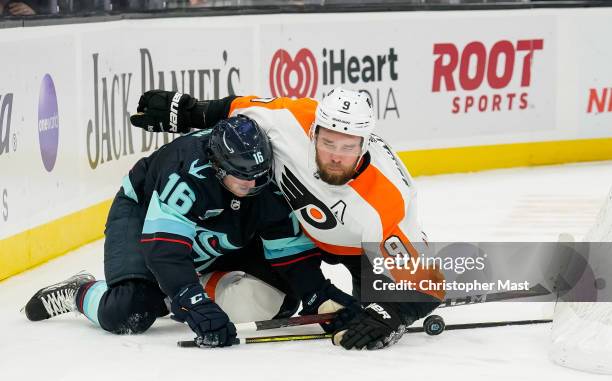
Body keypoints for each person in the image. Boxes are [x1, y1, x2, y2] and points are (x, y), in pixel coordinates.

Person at [129, 87, 446, 350]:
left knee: (370, 307)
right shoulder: (288, 120)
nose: (335, 157)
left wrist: (391, 314)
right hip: (295, 234)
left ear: (364, 146)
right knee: (279, 294)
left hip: (358, 248)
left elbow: (431, 284)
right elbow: (236, 108)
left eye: (348, 147)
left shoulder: (388, 202)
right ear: (313, 131)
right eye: (327, 143)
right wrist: (189, 112)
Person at [24, 115, 358, 347]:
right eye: (241, 175)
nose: (251, 183)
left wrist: (320, 295)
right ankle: (79, 291)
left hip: (217, 233)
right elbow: (164, 250)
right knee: (131, 311)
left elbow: (288, 251)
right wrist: (192, 301)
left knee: (280, 299)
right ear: (216, 165)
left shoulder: (264, 181)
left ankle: (177, 293)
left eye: (258, 173)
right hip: (143, 215)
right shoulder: (186, 173)